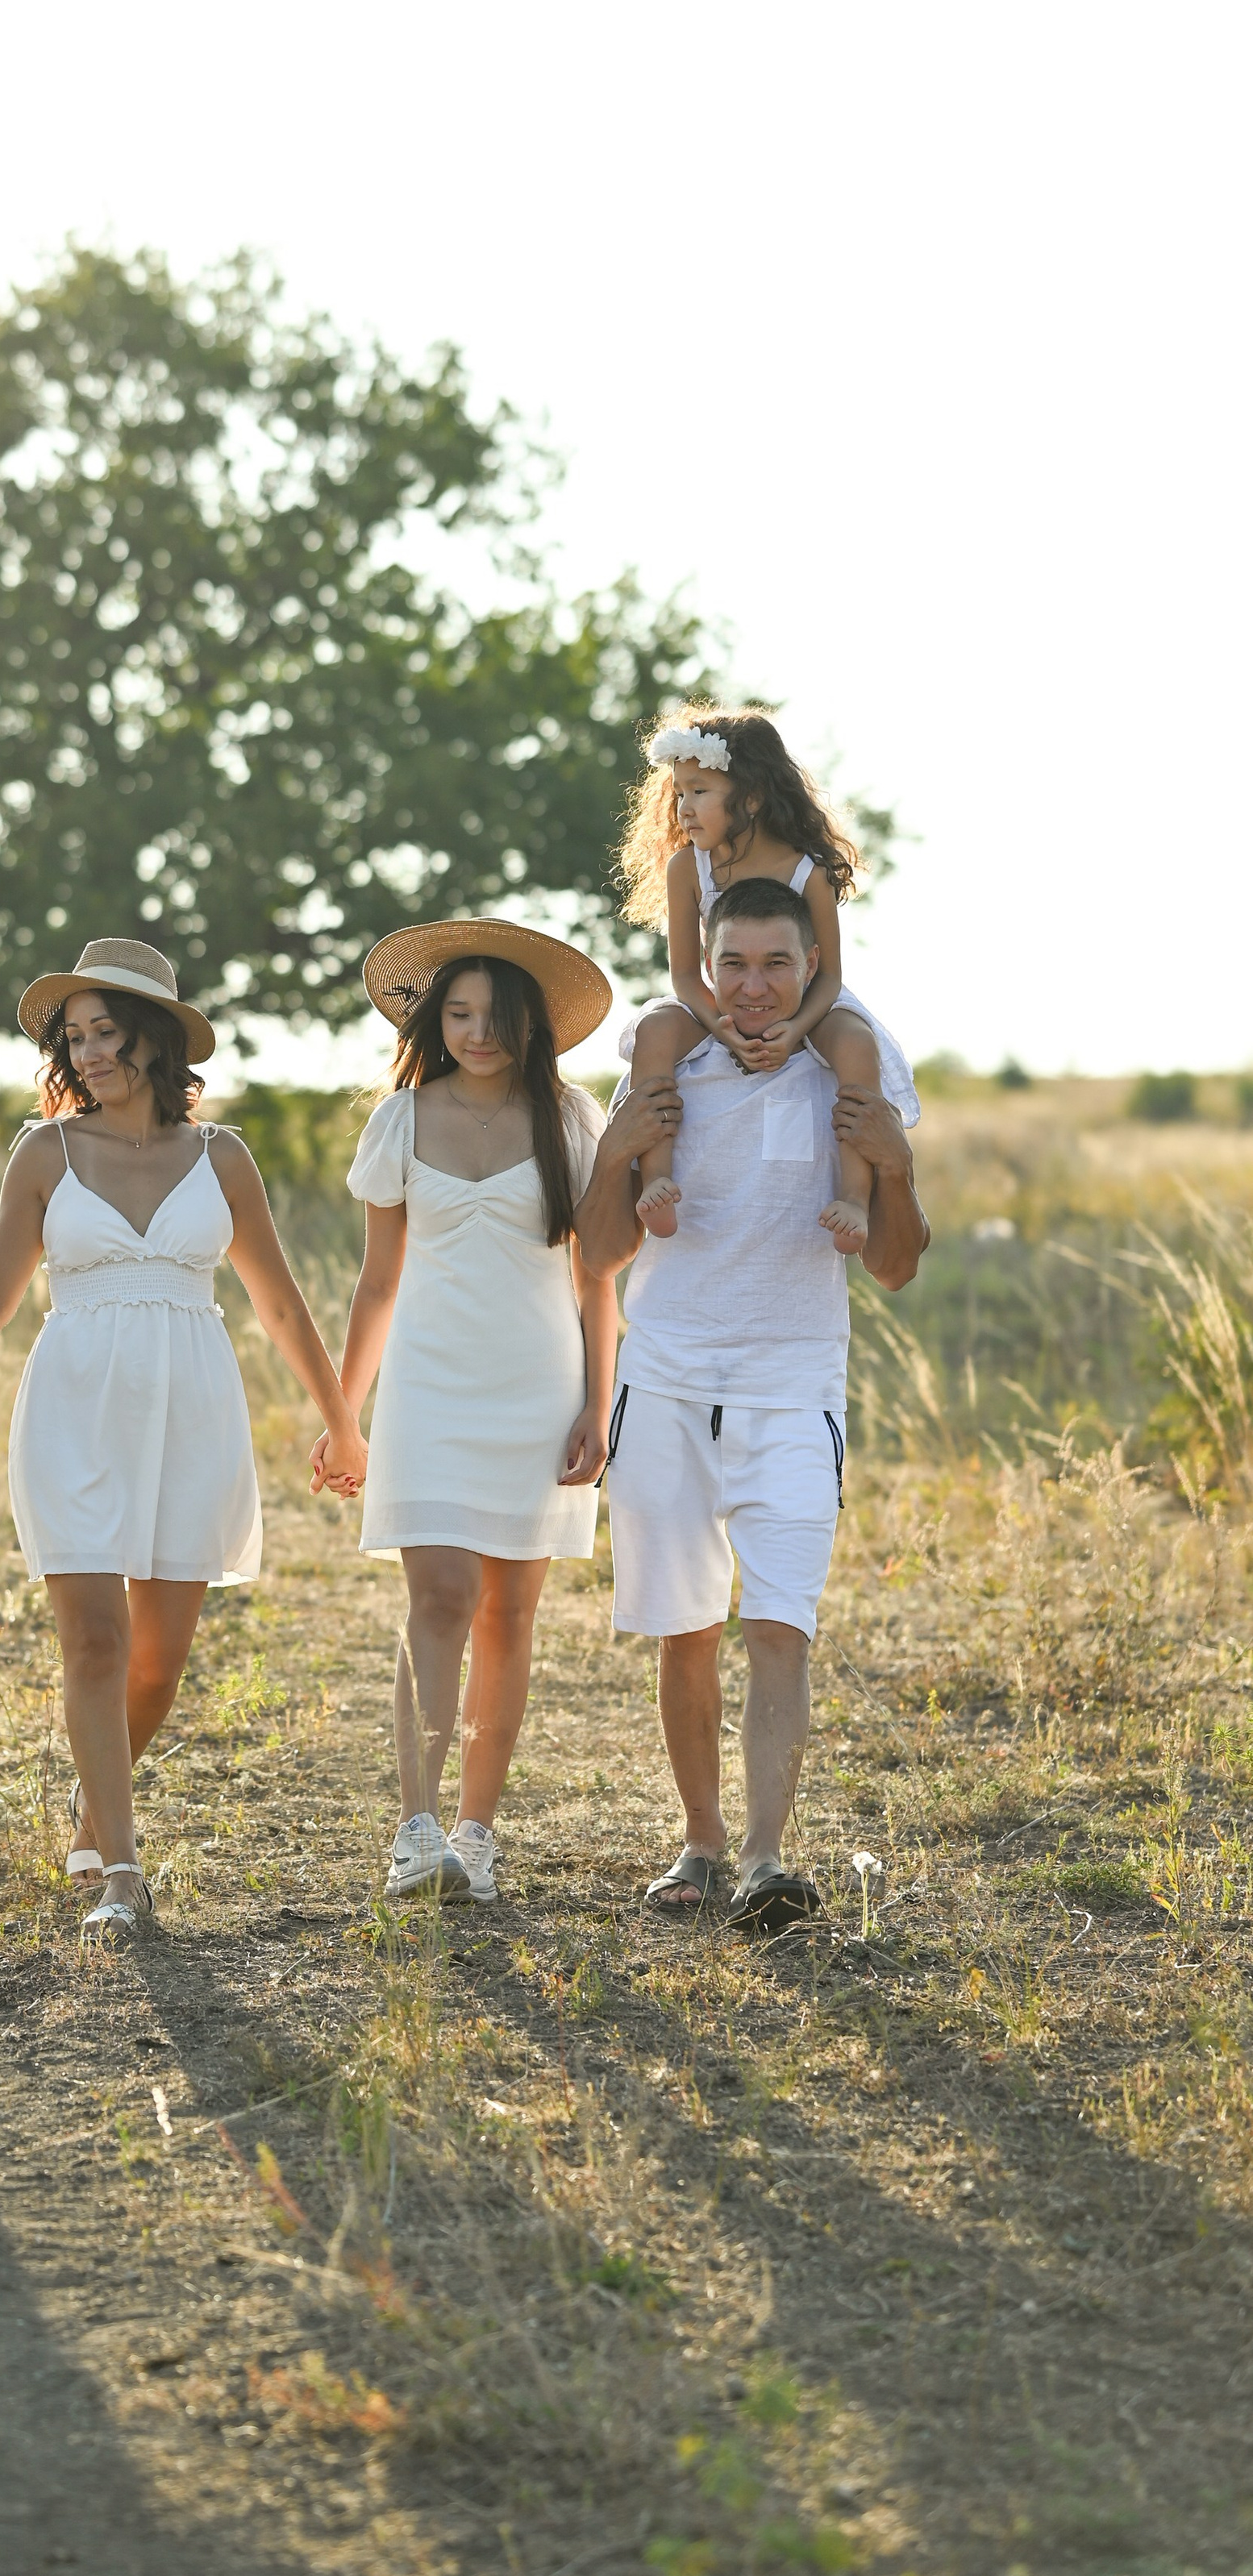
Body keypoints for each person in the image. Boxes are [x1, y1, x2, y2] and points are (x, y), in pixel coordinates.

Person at [0, 938, 368, 1946]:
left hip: (192, 1409)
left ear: (154, 1038)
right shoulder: (44, 1152)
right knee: (94, 1643)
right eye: (76, 1036)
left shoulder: (222, 1157)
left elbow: (279, 1304)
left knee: (158, 1663)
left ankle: (92, 1802)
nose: (90, 1053)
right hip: (76, 1409)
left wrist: (340, 1419)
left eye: (106, 1033)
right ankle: (123, 1872)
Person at [576, 877, 929, 1930]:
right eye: (736, 964)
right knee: (685, 1626)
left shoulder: (849, 1073)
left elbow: (899, 1270)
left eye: (778, 963)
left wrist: (896, 1174)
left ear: (812, 965)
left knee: (781, 1624)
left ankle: (770, 1861)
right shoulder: (667, 1062)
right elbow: (599, 1251)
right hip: (669, 1379)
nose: (756, 986)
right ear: (705, 965)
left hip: (793, 1382)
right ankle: (701, 1845)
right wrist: (616, 1153)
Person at [315, 922, 618, 1905]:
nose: (477, 1033)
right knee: (438, 1597)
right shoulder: (399, 1121)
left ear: (530, 1026)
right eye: (458, 1014)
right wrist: (344, 1414)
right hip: (429, 1387)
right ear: (433, 1022)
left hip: (539, 1387)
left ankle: (478, 1835)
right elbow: (376, 1283)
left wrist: (596, 1403)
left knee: (510, 1615)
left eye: (495, 1016)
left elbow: (597, 1278)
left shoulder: (573, 1119)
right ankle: (414, 1830)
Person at [617, 708, 920, 1253]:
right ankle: (656, 1177)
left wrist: (798, 1028)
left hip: (803, 997)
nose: (684, 809)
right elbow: (686, 975)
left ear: (751, 797)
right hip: (716, 997)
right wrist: (721, 1027)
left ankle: (854, 1195)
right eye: (679, 794)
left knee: (854, 1042)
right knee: (655, 1031)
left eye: (700, 791)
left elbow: (827, 976)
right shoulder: (688, 869)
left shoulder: (808, 872)